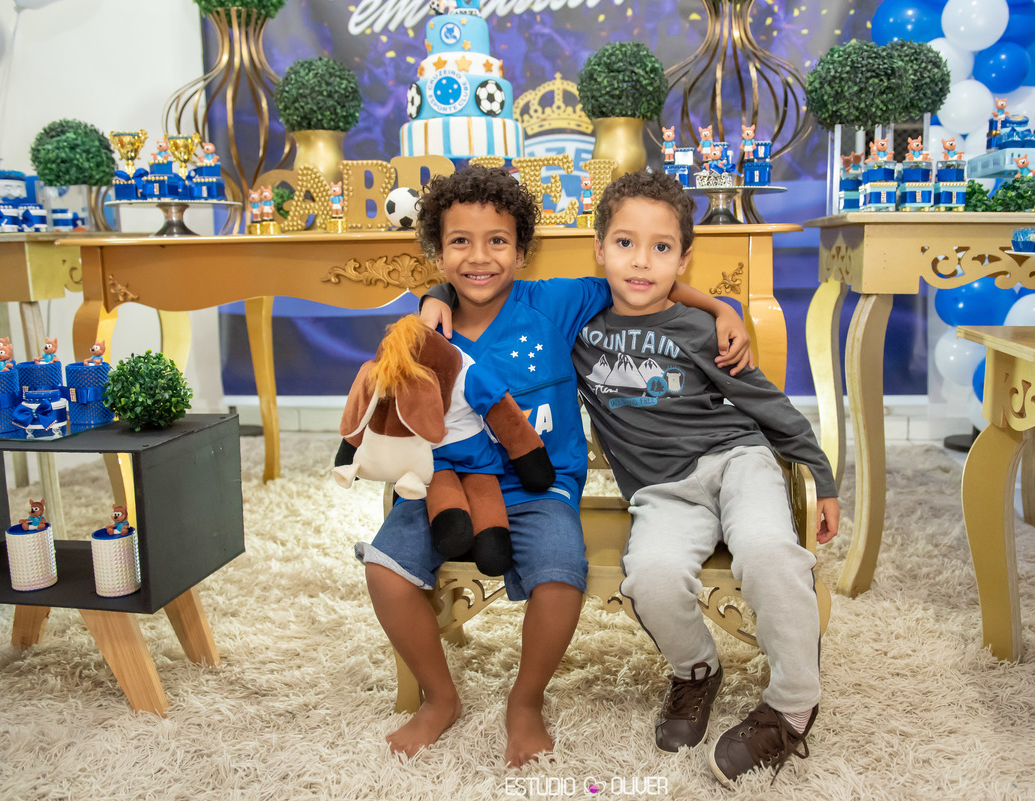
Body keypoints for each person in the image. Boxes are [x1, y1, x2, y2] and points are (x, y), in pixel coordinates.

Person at [355, 165, 750, 767]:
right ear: (437, 255)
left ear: (521, 251)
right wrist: (432, 299)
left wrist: (722, 309)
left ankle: (526, 701)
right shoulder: (426, 334)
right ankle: (439, 698)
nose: (479, 257)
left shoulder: (554, 303)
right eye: (460, 242)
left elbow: (648, 283)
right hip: (447, 486)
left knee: (561, 577)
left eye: (497, 241)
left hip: (541, 491)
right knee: (384, 570)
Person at [571, 169, 839, 786]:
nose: (642, 261)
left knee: (769, 552)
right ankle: (696, 671)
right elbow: (492, 296)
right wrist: (436, 300)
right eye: (625, 243)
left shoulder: (700, 330)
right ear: (600, 248)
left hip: (736, 462)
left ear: (683, 259)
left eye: (661, 247)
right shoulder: (578, 329)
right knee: (652, 577)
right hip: (663, 492)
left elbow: (766, 403)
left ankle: (793, 705)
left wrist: (821, 478)